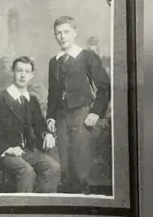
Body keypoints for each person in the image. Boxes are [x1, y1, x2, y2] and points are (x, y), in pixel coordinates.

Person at [46, 16, 111, 193]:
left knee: (81, 167)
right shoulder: (54, 61)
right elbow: (53, 94)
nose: (62, 36)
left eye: (66, 32)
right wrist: (51, 116)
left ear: (75, 32)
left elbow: (104, 87)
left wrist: (96, 112)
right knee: (64, 167)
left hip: (82, 115)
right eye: (58, 33)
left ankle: (83, 201)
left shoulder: (88, 57)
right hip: (61, 118)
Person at [0, 56, 60, 193]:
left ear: (31, 76)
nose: (23, 75)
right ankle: (25, 209)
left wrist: (47, 134)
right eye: (19, 70)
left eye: (27, 72)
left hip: (27, 151)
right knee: (26, 171)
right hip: (5, 152)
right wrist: (8, 148)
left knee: (53, 167)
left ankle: (41, 206)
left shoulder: (32, 100)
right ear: (13, 72)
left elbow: (40, 125)